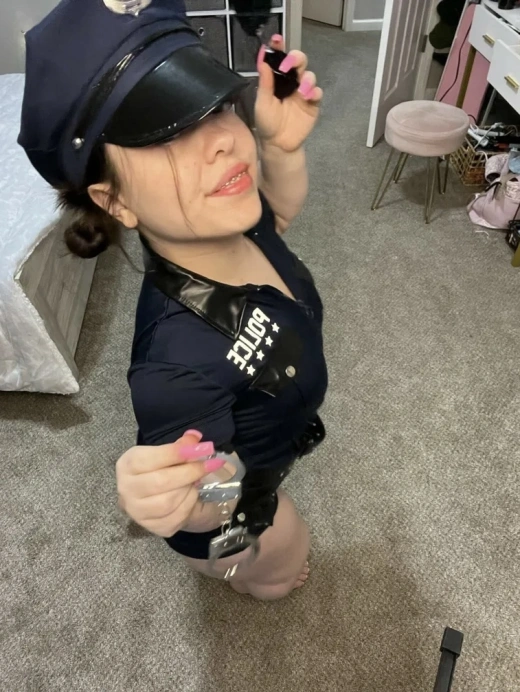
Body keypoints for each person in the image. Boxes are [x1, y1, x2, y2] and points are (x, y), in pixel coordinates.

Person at [19, 0, 327, 600]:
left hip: (275, 437)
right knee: (284, 555)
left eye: (214, 107)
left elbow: (280, 216)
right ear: (115, 202)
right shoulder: (176, 364)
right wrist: (184, 504)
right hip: (245, 509)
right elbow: (215, 492)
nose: (221, 140)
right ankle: (256, 580)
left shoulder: (237, 218)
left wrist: (282, 149)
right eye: (166, 136)